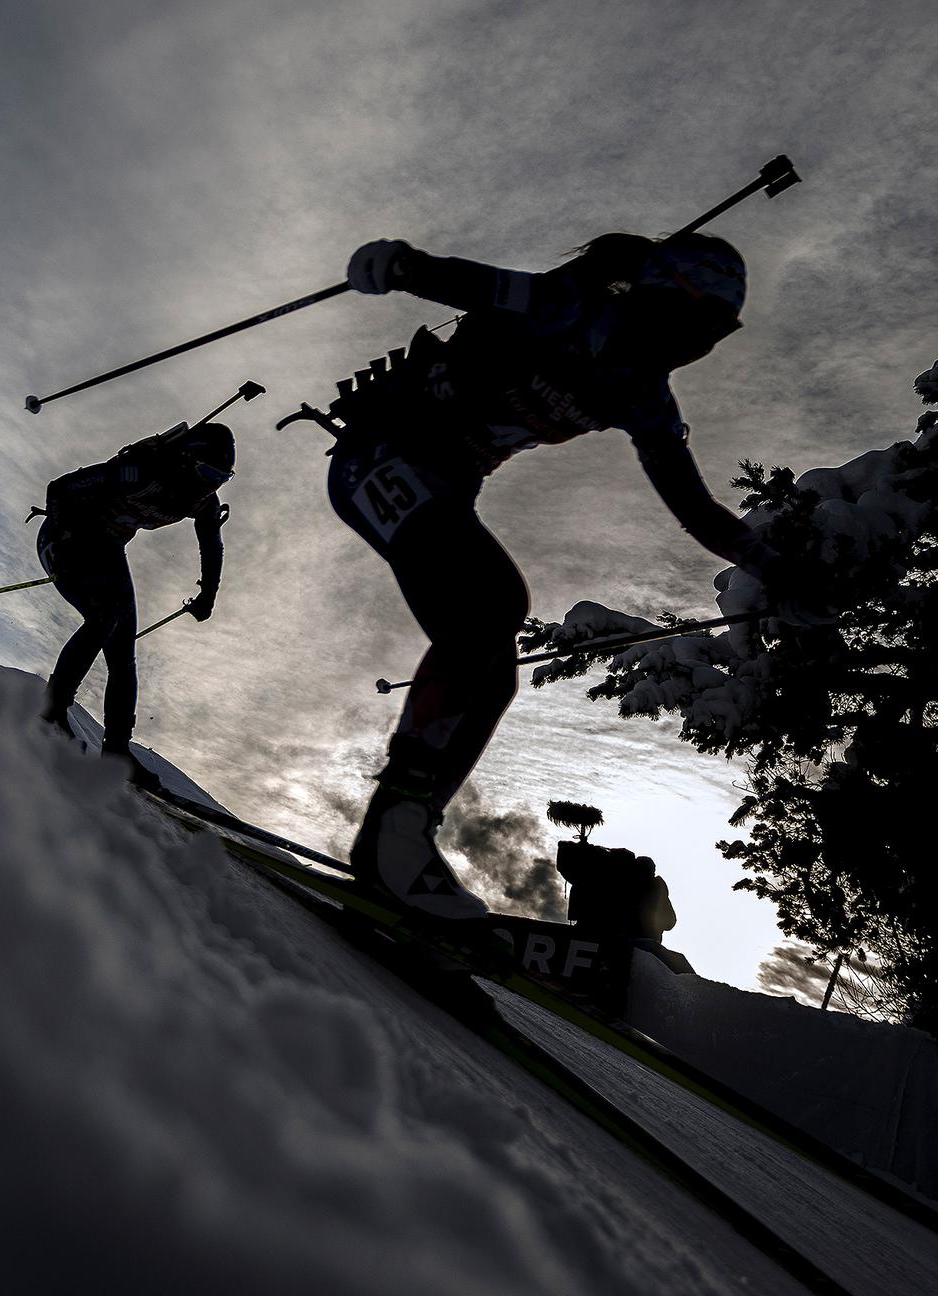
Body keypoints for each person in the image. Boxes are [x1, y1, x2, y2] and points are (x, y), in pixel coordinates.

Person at [329, 231, 823, 919]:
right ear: (655, 297)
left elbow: (695, 507)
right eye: (688, 324)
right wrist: (408, 268)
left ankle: (401, 835)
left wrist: (779, 572)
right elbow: (483, 285)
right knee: (492, 604)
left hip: (440, 483)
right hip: (377, 456)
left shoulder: (643, 396)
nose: (689, 346)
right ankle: (395, 835)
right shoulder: (571, 304)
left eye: (711, 336)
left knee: (494, 667)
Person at [34, 420, 234, 788]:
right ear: (189, 460)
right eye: (208, 472)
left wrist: (209, 593)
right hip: (65, 541)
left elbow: (211, 545)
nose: (212, 484)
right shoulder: (140, 471)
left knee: (123, 652)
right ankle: (51, 707)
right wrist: (64, 535)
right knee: (103, 618)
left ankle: (116, 750)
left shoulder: (204, 500)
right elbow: (61, 488)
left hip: (108, 551)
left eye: (223, 478)